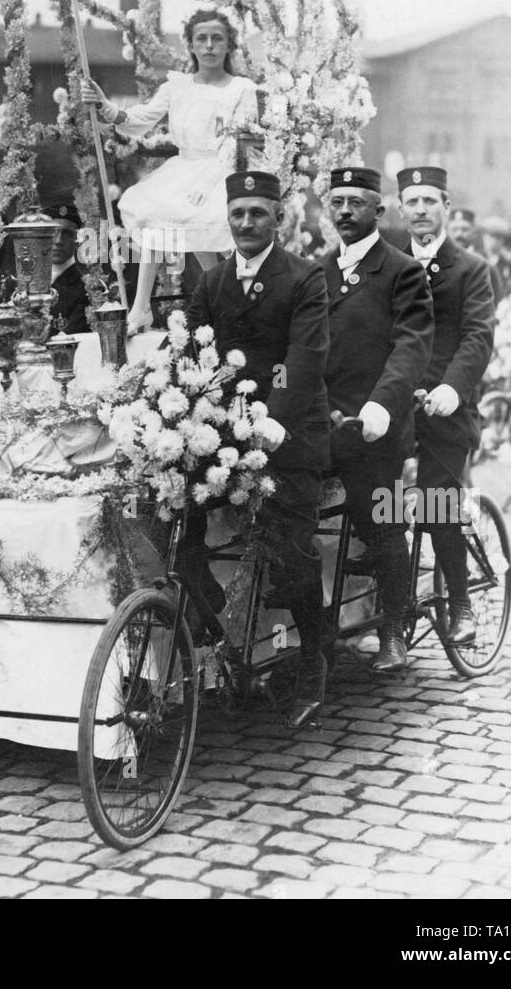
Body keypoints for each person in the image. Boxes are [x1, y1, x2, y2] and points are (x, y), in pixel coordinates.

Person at [186, 170, 331, 728]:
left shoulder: (304, 278)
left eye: (258, 213)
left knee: (292, 551)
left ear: (280, 218)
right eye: (239, 212)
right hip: (222, 433)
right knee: (172, 510)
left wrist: (269, 423)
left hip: (288, 433)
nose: (246, 223)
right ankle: (211, 616)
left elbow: (306, 359)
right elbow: (195, 359)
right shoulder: (212, 281)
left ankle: (313, 660)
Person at [81, 9, 258, 334]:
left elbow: (237, 141)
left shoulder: (241, 89)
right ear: (190, 44)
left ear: (229, 44)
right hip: (184, 165)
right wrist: (109, 110)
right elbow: (144, 118)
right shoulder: (177, 86)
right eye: (201, 39)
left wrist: (207, 183)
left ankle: (226, 308)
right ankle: (141, 307)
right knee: (156, 215)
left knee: (200, 224)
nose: (209, 46)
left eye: (217, 38)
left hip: (222, 170)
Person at [320, 167, 434, 673]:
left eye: (356, 203)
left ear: (377, 211)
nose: (345, 211)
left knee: (381, 522)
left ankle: (393, 626)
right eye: (337, 201)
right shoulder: (316, 271)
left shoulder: (401, 270)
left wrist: (380, 407)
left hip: (375, 426)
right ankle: (314, 633)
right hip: (324, 422)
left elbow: (410, 348)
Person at [397, 166, 495, 644]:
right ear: (401, 209)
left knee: (437, 504)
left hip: (448, 409)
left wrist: (452, 389)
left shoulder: (471, 269)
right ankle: (389, 614)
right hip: (393, 408)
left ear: (446, 207)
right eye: (412, 202)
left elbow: (477, 336)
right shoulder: (389, 264)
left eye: (429, 201)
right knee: (373, 504)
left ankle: (460, 603)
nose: (421, 210)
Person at [40, 197, 90, 335]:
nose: (58, 241)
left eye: (67, 234)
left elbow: (72, 335)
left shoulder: (85, 287)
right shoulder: (27, 278)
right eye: (53, 232)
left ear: (77, 240)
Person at [480, 216, 511, 303]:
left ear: (502, 240)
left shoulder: (509, 266)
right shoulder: (475, 261)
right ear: (484, 237)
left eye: (498, 238)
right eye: (491, 236)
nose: (494, 241)